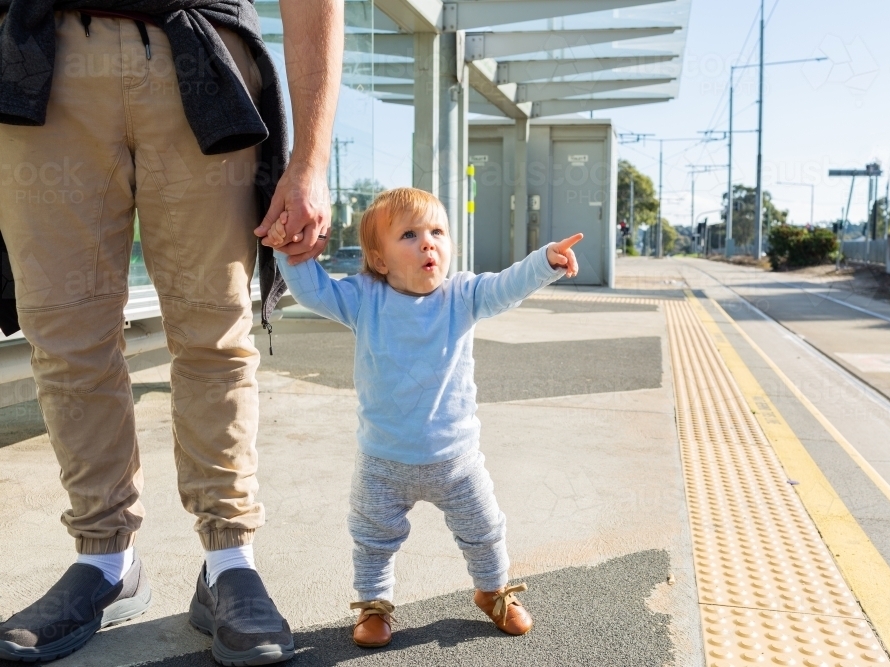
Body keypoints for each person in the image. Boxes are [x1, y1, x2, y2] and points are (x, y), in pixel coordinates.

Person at [0, 1, 342, 664]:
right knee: (65, 335)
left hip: (198, 50)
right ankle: (105, 562)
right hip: (43, 54)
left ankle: (229, 562)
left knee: (214, 331)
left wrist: (312, 159)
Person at [265, 188, 583, 648]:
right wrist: (286, 247)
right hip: (382, 462)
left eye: (438, 232)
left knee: (485, 530)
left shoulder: (464, 295)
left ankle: (492, 591)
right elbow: (314, 290)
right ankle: (374, 606)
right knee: (373, 538)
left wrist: (545, 262)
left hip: (456, 461)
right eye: (409, 235)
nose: (428, 243)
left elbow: (507, 286)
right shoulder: (363, 299)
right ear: (378, 259)